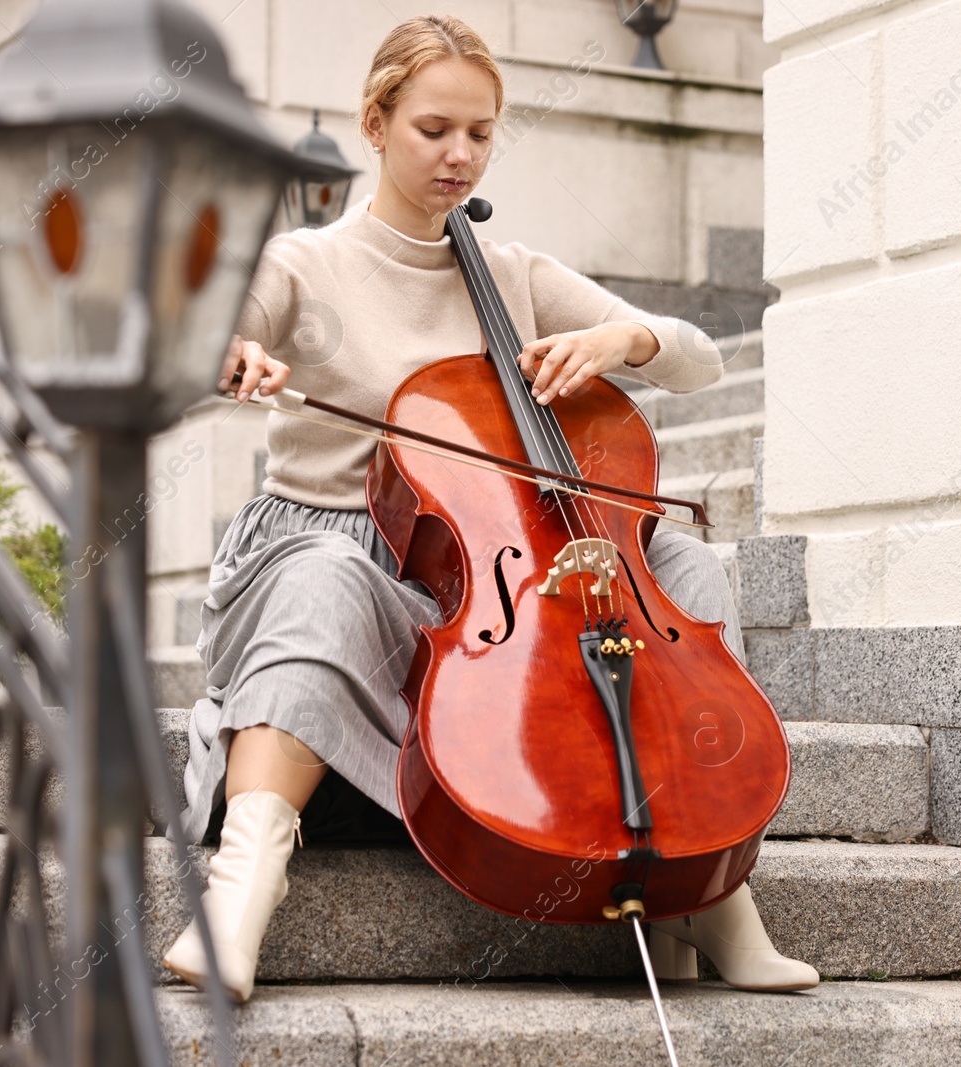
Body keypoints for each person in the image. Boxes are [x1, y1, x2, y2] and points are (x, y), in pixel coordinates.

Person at [159, 13, 819, 1003]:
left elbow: (698, 354)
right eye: (433, 129)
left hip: (484, 568)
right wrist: (229, 353)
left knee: (676, 571)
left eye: (478, 132)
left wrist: (622, 342)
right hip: (328, 551)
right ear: (375, 124)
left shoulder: (510, 273)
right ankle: (238, 893)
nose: (459, 154)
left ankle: (707, 890)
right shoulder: (304, 263)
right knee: (328, 579)